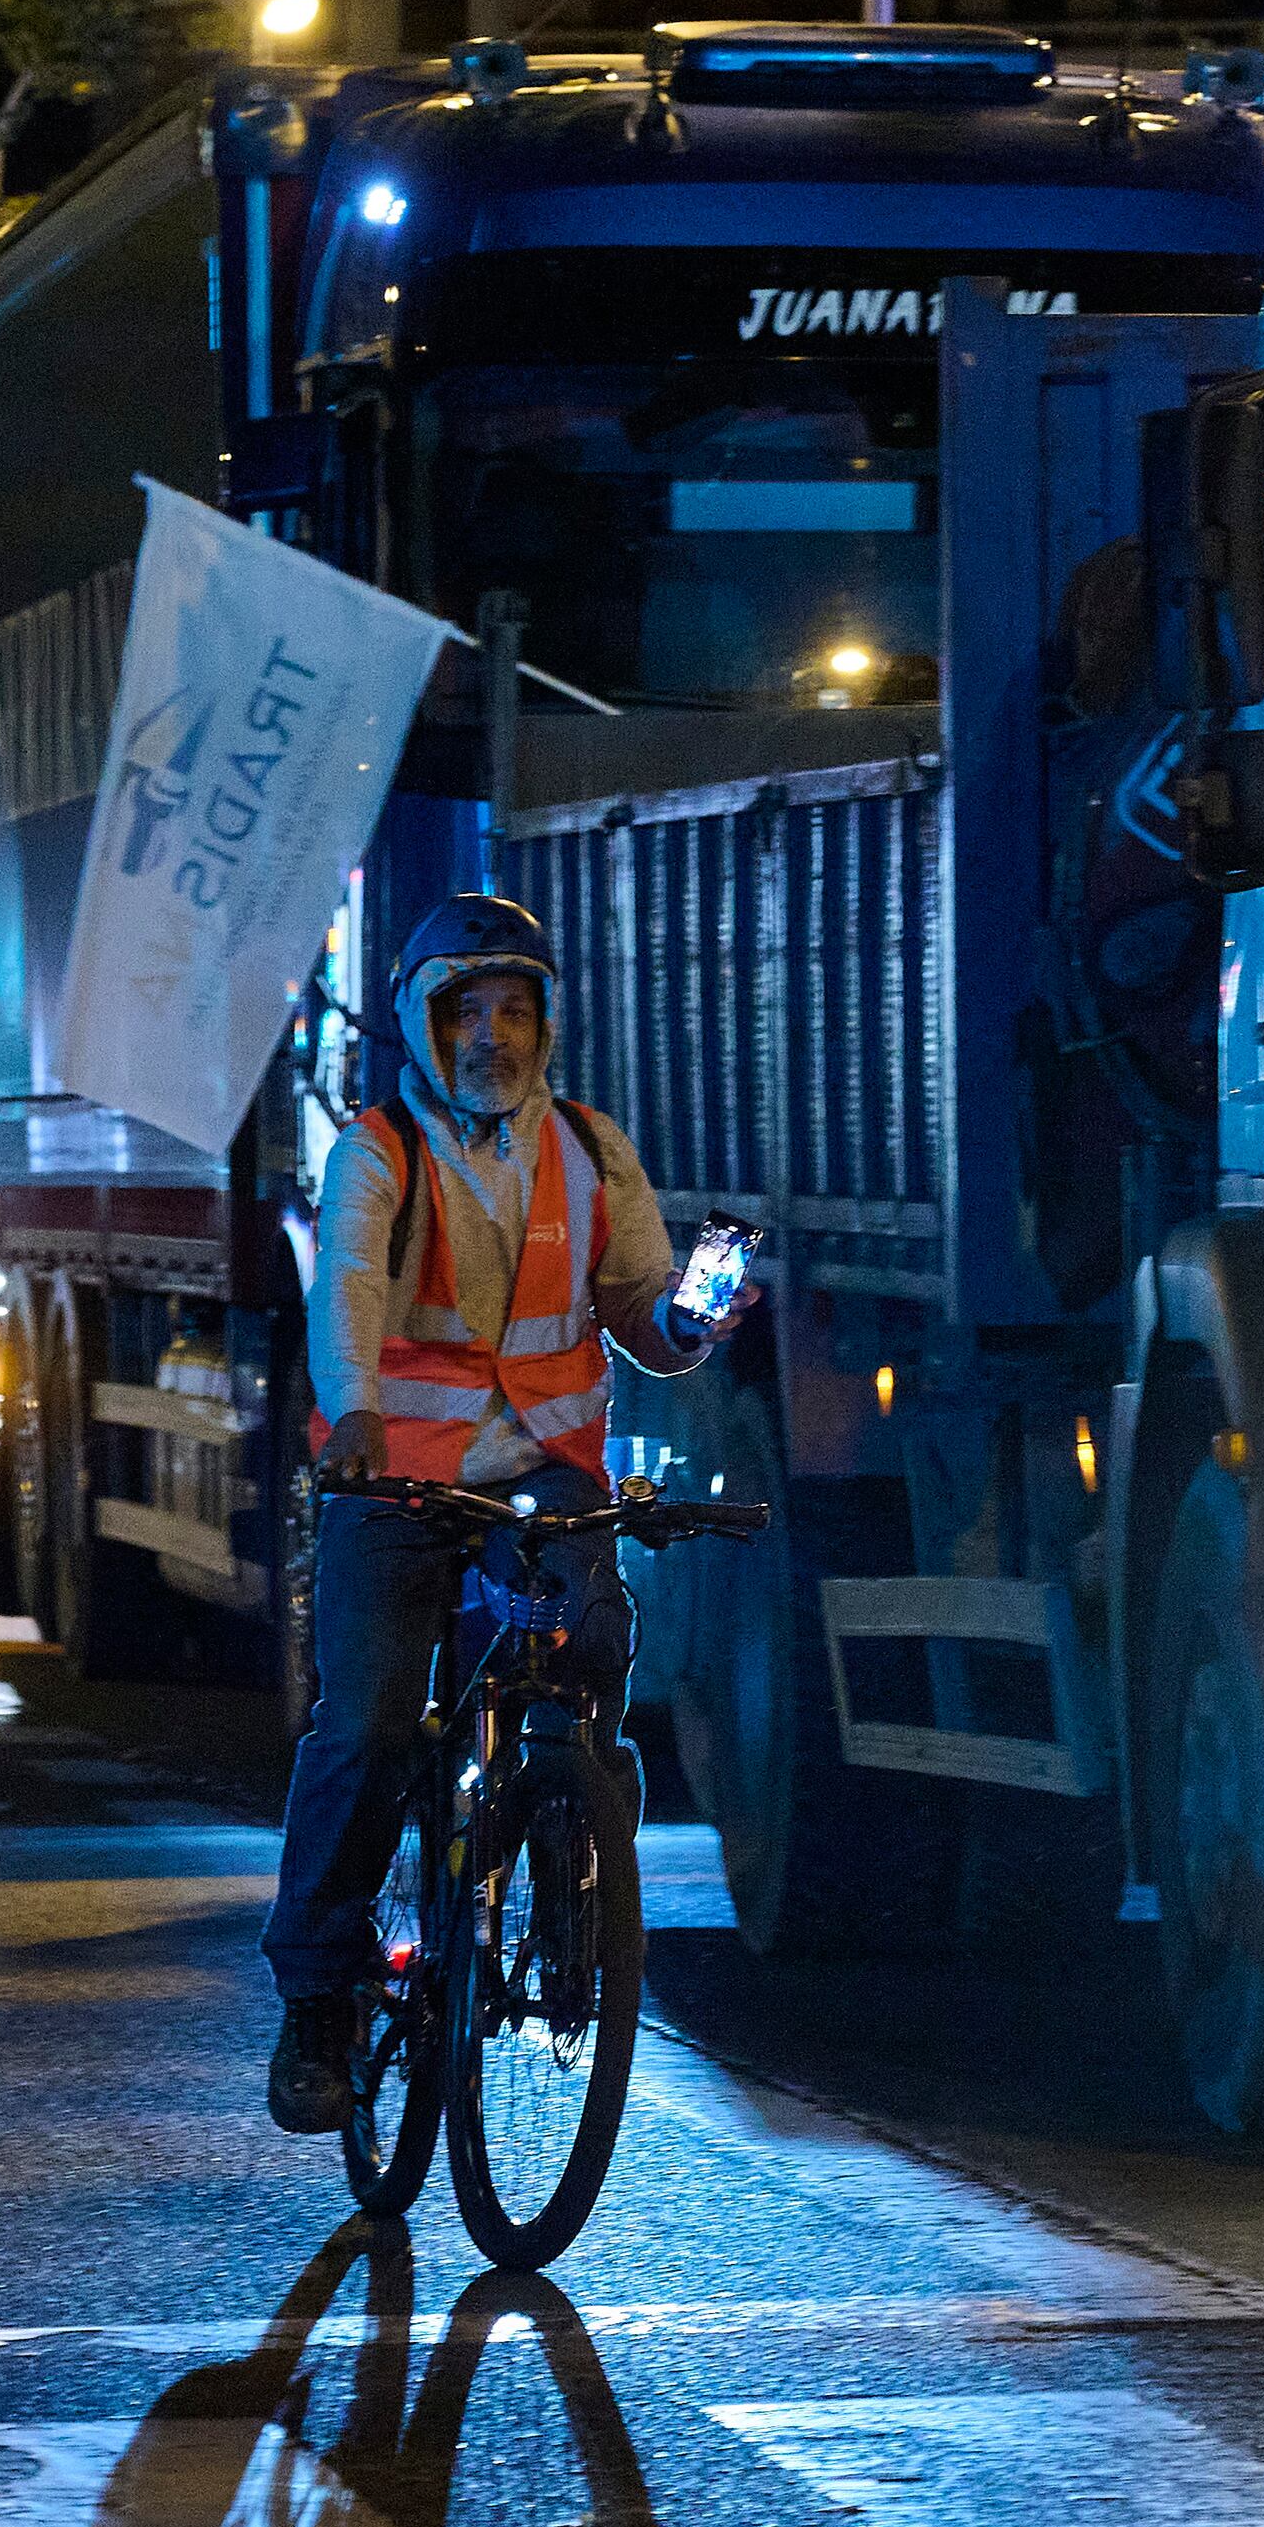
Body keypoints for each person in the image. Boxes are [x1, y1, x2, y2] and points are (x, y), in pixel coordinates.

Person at [264, 894, 733, 2134]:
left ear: (544, 1022)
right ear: (424, 1021)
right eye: (466, 1009)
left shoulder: (587, 1147)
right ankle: (316, 1996)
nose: (492, 1033)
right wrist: (351, 1413)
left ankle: (577, 1871)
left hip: (545, 1472)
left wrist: (686, 1327)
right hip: (396, 1478)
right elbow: (350, 1283)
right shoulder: (378, 1150)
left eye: (514, 1009)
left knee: (590, 1643)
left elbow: (637, 1307)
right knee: (363, 1725)